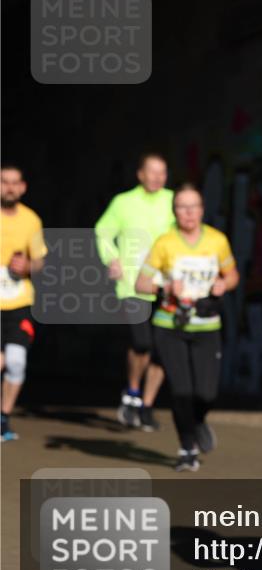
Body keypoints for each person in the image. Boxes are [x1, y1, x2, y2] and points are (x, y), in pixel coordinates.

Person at [135, 183, 239, 472]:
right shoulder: (164, 243)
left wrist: (223, 284)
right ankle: (186, 449)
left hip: (206, 326)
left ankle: (199, 420)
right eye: (182, 206)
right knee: (182, 391)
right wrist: (164, 286)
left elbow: (233, 276)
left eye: (194, 206)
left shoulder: (217, 240)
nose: (189, 212)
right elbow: (140, 283)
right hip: (170, 326)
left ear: (202, 210)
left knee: (205, 394)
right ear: (174, 211)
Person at [95, 153, 175, 431]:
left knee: (163, 350)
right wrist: (112, 259)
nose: (157, 177)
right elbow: (102, 232)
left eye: (162, 172)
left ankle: (147, 405)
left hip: (167, 286)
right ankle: (132, 393)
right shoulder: (123, 202)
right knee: (142, 342)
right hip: (132, 285)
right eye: (152, 172)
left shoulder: (172, 201)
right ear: (140, 174)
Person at [0, 164, 46, 443]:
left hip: (19, 301)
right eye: (4, 182)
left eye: (15, 183)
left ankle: (4, 417)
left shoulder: (32, 220)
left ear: (23, 187)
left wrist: (28, 265)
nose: (10, 188)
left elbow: (40, 261)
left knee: (16, 362)